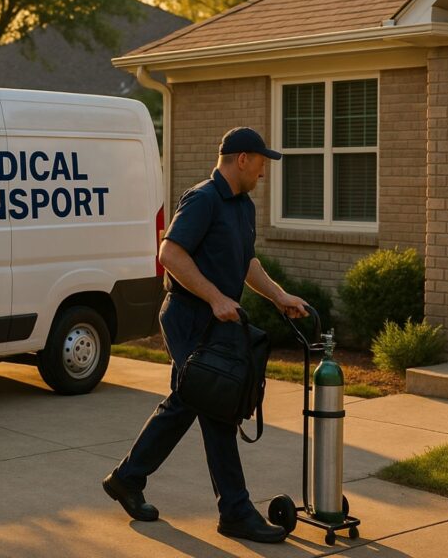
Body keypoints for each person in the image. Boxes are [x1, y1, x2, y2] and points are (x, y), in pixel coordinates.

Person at [102, 127, 308, 543]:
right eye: (261, 163)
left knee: (189, 400)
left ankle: (127, 478)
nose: (264, 173)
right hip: (188, 315)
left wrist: (279, 296)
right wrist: (215, 297)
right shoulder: (204, 199)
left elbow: (246, 261)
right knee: (216, 402)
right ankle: (234, 511)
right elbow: (169, 253)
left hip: (216, 319)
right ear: (242, 159)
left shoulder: (243, 206)